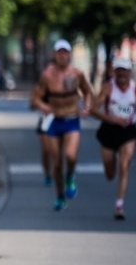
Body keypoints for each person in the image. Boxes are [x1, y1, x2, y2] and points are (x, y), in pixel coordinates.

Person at [30, 39, 94, 211]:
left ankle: (71, 176)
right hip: (54, 121)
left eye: (65, 52)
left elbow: (88, 92)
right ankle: (60, 195)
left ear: (70, 54)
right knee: (57, 162)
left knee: (71, 156)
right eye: (59, 52)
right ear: (54, 54)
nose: (62, 56)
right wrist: (43, 105)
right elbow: (35, 98)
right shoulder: (47, 75)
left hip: (72, 119)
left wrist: (87, 107)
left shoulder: (77, 74)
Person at [89, 57, 136, 220]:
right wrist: (111, 119)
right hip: (109, 130)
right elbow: (93, 110)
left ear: (130, 72)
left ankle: (119, 206)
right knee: (110, 173)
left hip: (128, 131)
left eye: (125, 70)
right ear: (114, 71)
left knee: (124, 166)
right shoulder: (108, 88)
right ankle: (110, 166)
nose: (122, 73)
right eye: (119, 70)